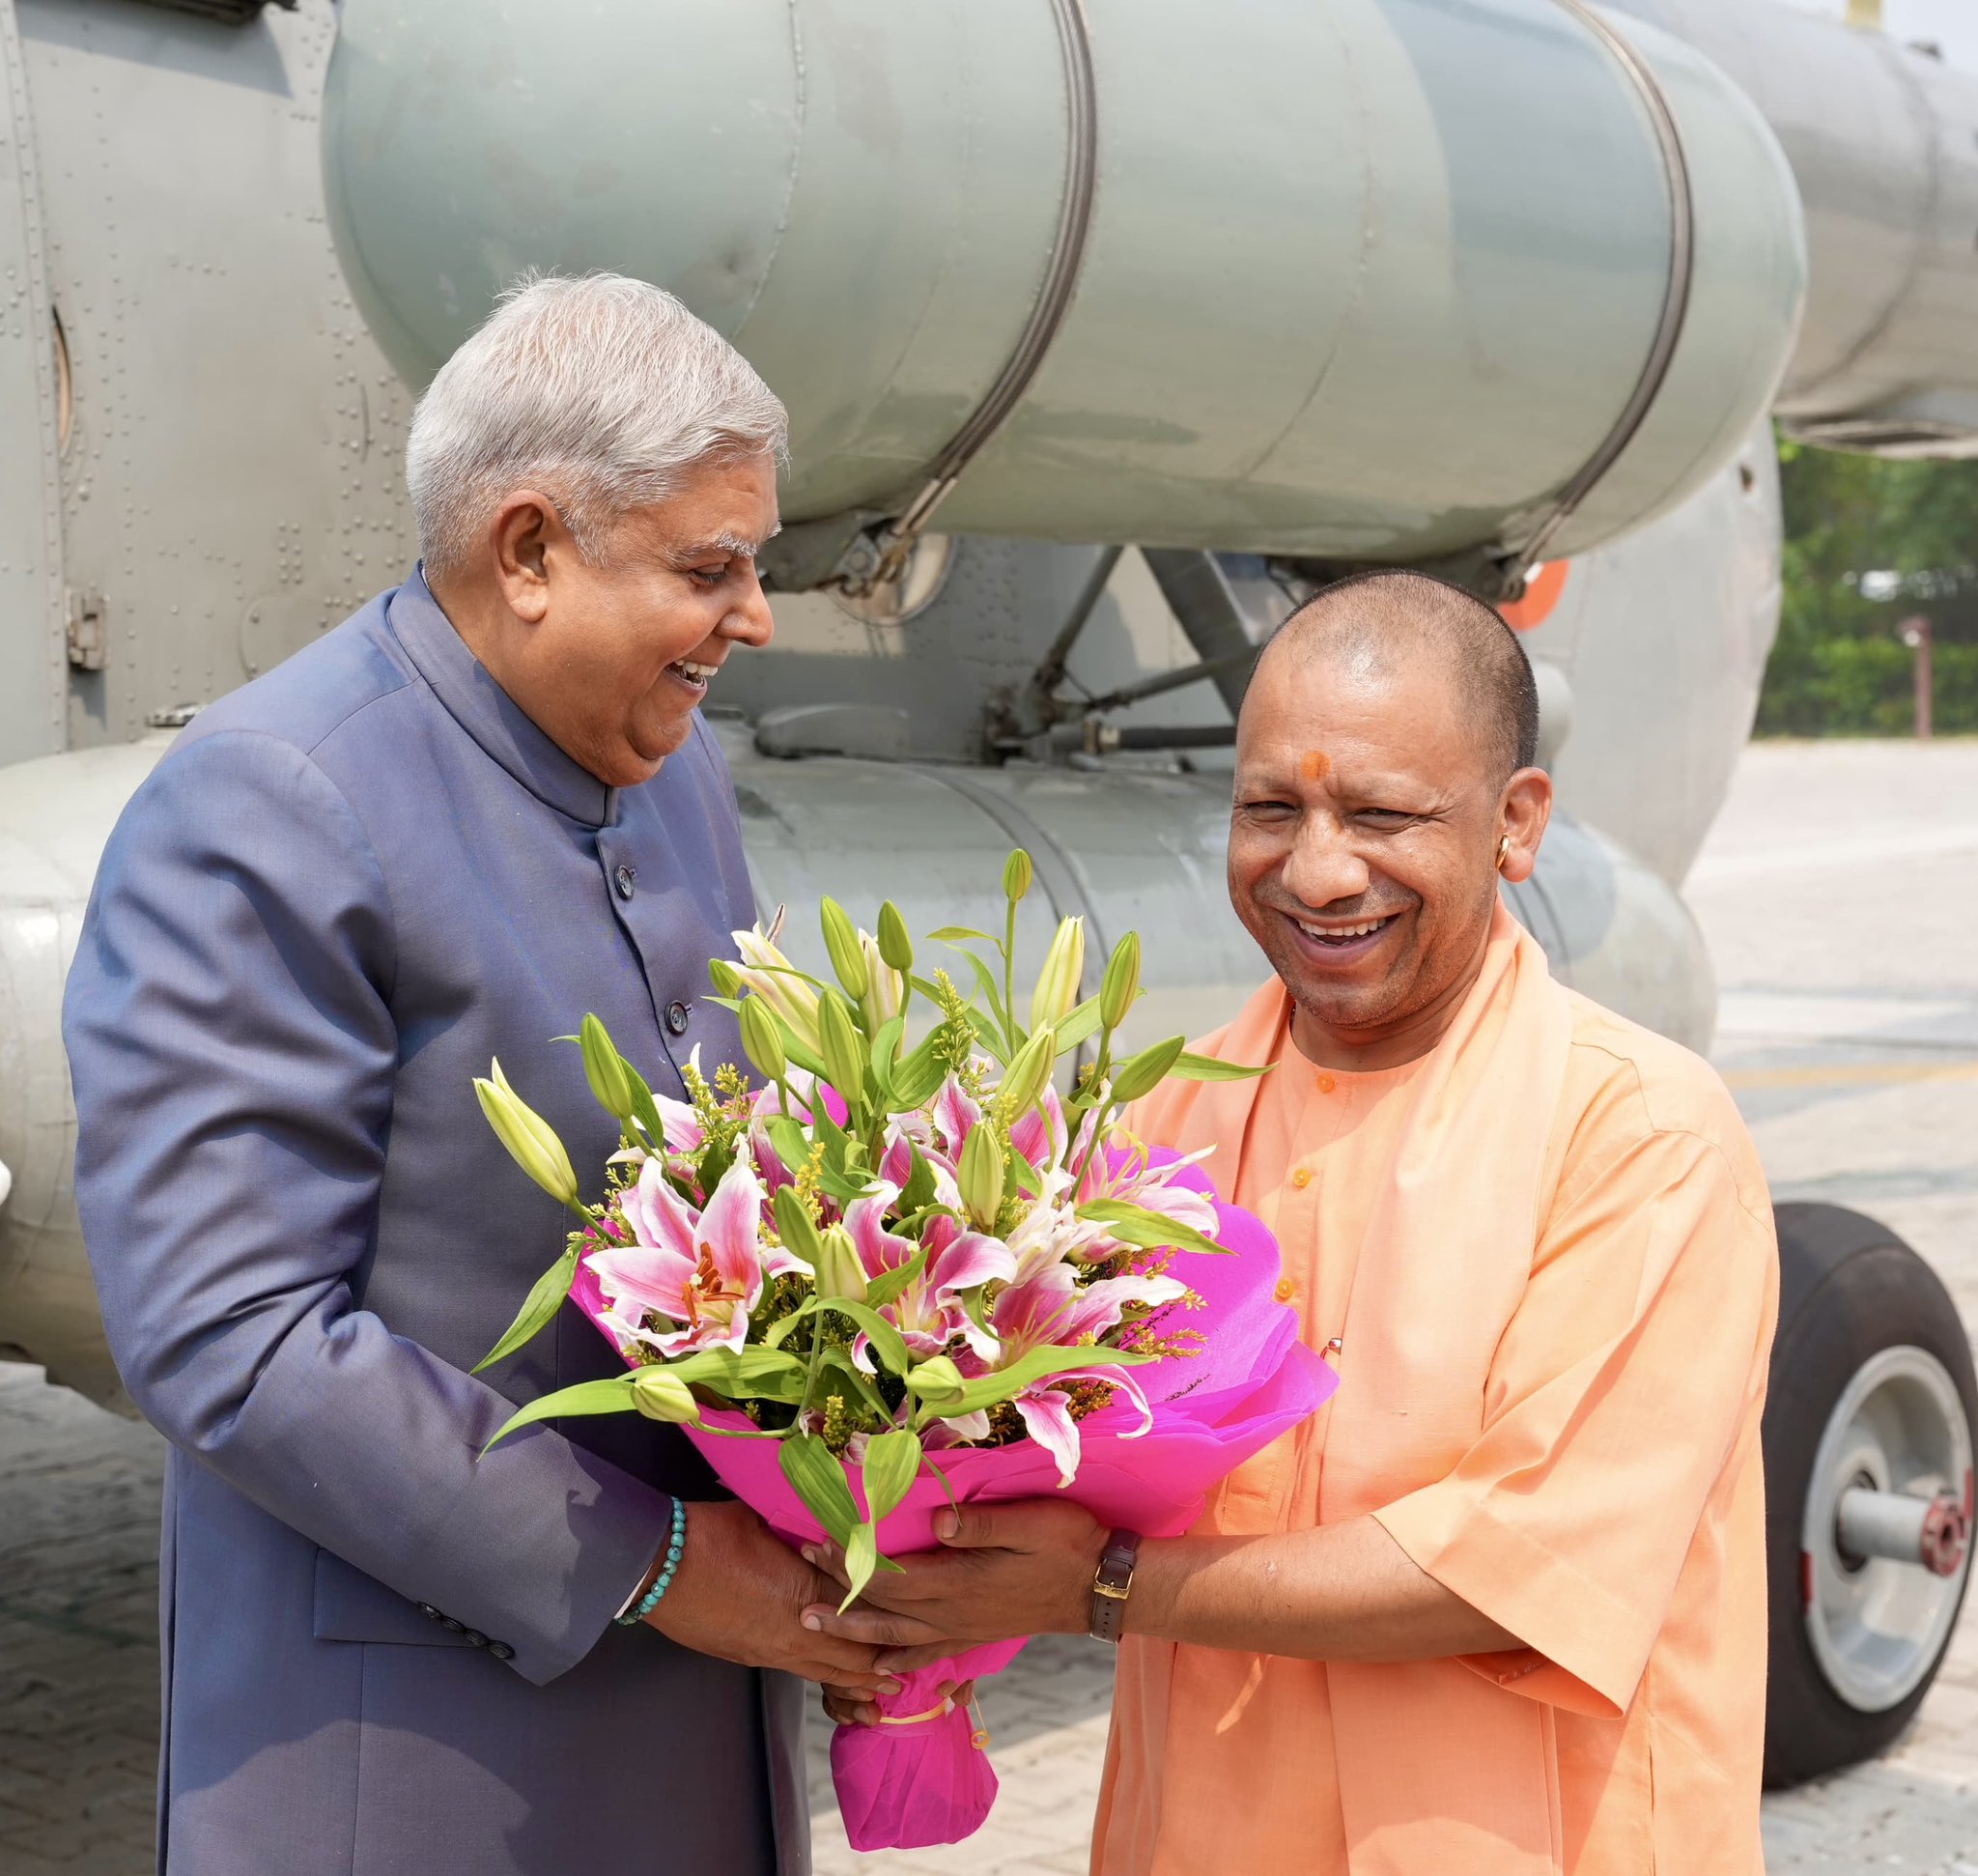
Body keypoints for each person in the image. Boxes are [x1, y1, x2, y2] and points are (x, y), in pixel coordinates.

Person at [63, 274, 889, 1876]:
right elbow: (230, 1334)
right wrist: (656, 1560)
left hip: (695, 1725)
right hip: (418, 1758)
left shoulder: (670, 767)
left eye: (759, 564)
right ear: (528, 551)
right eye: (710, 568)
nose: (758, 615)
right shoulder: (275, 800)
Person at [805, 570, 1779, 1874]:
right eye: (1272, 807)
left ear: (1517, 822)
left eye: (1383, 812)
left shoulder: (1641, 1139)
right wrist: (915, 1614)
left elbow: (1512, 1573)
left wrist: (1097, 1588)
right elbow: (1026, 1471)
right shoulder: (1154, 1140)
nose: (1318, 868)